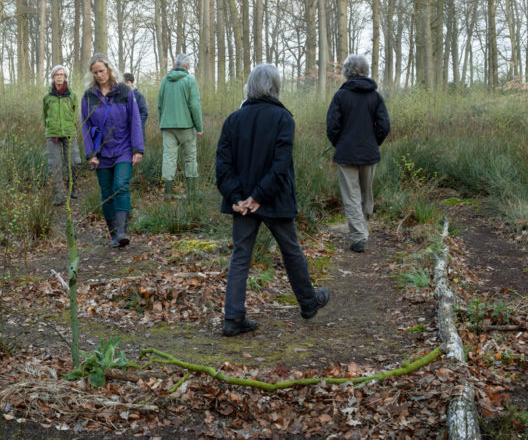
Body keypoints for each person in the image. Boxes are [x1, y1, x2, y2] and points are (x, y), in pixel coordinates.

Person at [215, 63, 329, 337]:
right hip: (272, 199)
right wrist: (254, 197)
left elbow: (222, 166)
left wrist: (240, 197)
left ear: (250, 86)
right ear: (275, 87)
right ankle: (308, 303)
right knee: (291, 251)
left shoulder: (234, 119)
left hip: (245, 202)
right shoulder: (283, 118)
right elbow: (279, 166)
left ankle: (233, 318)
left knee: (241, 256)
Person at [326, 54, 391, 253]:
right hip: (369, 153)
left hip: (346, 154)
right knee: (365, 195)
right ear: (365, 71)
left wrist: (341, 143)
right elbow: (384, 126)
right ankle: (360, 233)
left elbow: (332, 126)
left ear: (347, 72)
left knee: (352, 196)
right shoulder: (375, 96)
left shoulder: (340, 96)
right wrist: (374, 142)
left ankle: (359, 234)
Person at [82, 53, 144, 248]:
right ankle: (113, 234)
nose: (99, 75)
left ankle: (122, 231)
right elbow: (86, 126)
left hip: (124, 148)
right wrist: (91, 153)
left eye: (102, 71)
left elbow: (135, 121)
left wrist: (137, 149)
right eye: (95, 72)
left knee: (120, 186)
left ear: (109, 69)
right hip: (101, 153)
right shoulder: (89, 96)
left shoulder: (125, 92)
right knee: (107, 192)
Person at [157, 53, 203, 199]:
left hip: (167, 127)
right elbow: (194, 106)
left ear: (176, 65)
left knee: (168, 158)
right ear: (186, 66)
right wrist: (199, 126)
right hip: (186, 126)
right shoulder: (190, 80)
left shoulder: (165, 80)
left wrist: (162, 124)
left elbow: (159, 105)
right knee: (190, 157)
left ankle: (168, 194)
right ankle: (192, 193)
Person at [43, 64, 82, 206]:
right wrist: (50, 128)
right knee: (55, 165)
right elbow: (44, 114)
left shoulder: (72, 96)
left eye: (61, 74)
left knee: (74, 162)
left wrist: (69, 127)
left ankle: (73, 186)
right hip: (52, 134)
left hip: (69, 132)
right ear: (53, 77)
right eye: (56, 75)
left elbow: (74, 112)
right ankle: (58, 194)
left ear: (65, 77)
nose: (59, 77)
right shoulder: (47, 96)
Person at [123, 72, 148, 138]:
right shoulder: (119, 97)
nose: (125, 85)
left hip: (136, 130)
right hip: (124, 132)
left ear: (132, 83)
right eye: (124, 83)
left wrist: (137, 125)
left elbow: (144, 113)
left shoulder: (138, 96)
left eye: (127, 82)